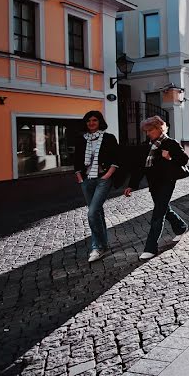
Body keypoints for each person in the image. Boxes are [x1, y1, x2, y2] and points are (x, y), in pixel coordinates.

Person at [124, 116, 189, 260]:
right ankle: (181, 227)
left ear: (159, 128)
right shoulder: (146, 146)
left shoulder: (170, 143)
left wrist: (170, 157)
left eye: (150, 130)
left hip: (167, 181)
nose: (148, 133)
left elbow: (184, 159)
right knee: (164, 208)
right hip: (153, 184)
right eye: (146, 131)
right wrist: (131, 185)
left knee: (158, 214)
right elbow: (139, 168)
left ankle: (151, 247)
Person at [73, 110, 120, 263]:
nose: (91, 123)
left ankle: (97, 247)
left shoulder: (108, 138)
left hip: (103, 179)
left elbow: (116, 158)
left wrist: (108, 175)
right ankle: (104, 244)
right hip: (87, 179)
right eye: (88, 121)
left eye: (94, 120)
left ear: (100, 121)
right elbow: (76, 159)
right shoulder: (81, 139)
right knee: (97, 212)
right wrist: (79, 177)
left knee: (92, 212)